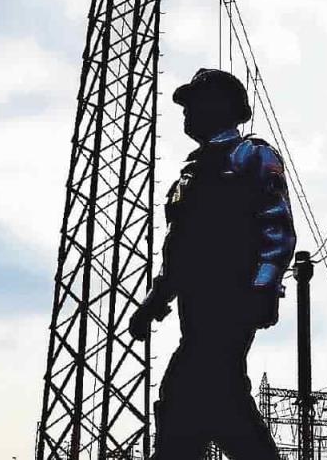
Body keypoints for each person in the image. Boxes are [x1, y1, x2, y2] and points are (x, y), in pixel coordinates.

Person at [128, 67, 297, 460]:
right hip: (197, 309)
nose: (186, 112)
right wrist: (154, 302)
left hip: (231, 302)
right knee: (215, 403)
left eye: (194, 103)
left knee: (189, 394)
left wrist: (263, 287)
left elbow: (277, 226)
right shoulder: (191, 173)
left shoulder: (251, 156)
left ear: (221, 106)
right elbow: (180, 251)